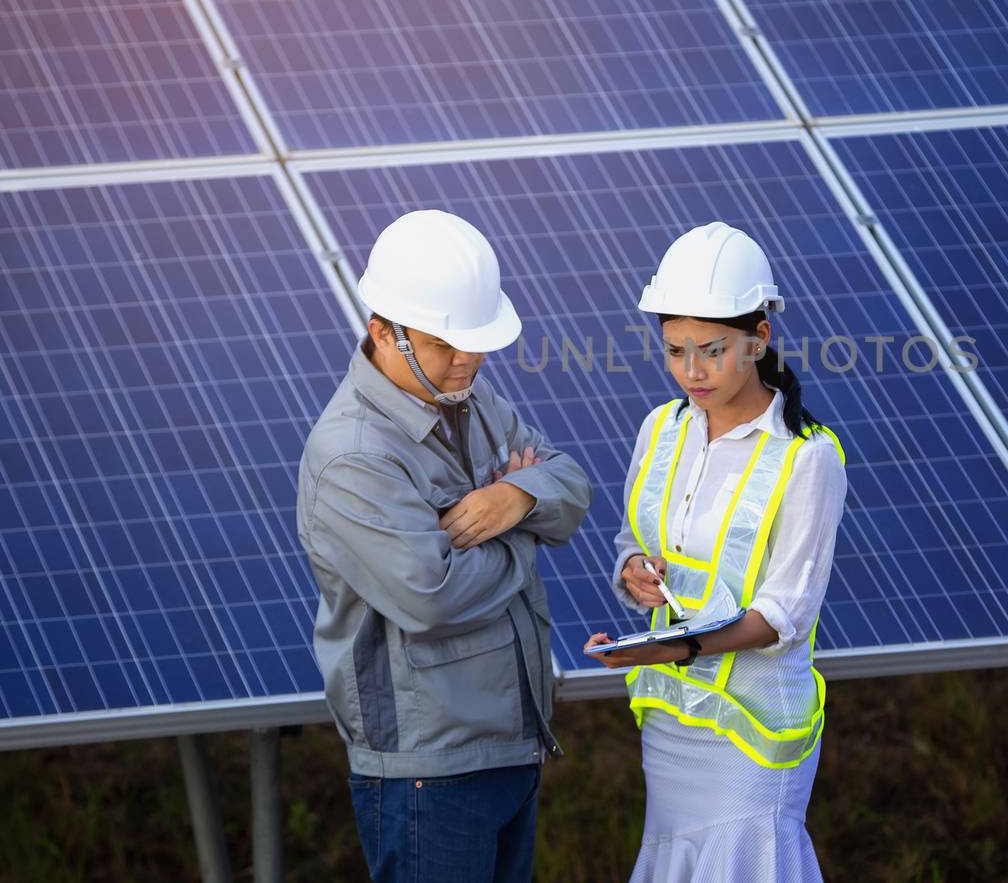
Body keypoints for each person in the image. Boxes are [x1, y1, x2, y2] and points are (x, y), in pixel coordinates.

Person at [297, 210, 591, 883]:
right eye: (443, 344)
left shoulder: (472, 396)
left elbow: (571, 482)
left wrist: (512, 498)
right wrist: (526, 531)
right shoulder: (353, 454)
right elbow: (432, 594)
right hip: (431, 771)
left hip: (507, 746)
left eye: (476, 343)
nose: (468, 359)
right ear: (382, 332)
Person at [585, 221, 848, 882]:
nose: (691, 370)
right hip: (671, 722)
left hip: (753, 735)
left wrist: (682, 646)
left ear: (759, 339)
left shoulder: (806, 457)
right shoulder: (661, 428)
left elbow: (786, 612)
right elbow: (634, 539)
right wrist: (631, 573)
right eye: (675, 350)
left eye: (712, 349)